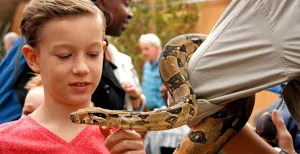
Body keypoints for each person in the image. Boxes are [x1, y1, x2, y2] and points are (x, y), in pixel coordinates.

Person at [0, 1, 144, 153]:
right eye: (64, 56)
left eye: (93, 54)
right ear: (34, 58)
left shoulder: (123, 141)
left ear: (103, 52)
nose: (82, 68)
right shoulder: (6, 143)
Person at [139, 33, 165, 111]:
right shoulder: (146, 65)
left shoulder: (165, 65)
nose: (143, 53)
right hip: (148, 111)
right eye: (142, 49)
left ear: (157, 48)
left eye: (146, 49)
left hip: (162, 111)